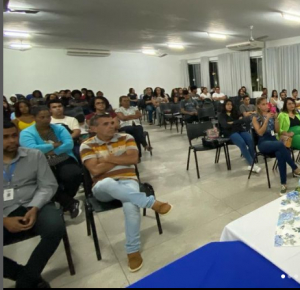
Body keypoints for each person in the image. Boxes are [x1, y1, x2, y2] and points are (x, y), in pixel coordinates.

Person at [80, 114, 173, 273]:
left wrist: (107, 158)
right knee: (108, 182)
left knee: (131, 205)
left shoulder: (126, 137)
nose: (111, 126)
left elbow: (134, 158)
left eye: (111, 122)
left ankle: (132, 250)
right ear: (93, 128)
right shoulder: (87, 145)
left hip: (128, 179)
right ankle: (150, 203)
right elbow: (94, 170)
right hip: (102, 187)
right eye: (105, 124)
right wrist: (120, 159)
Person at [3, 122, 64, 288]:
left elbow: (48, 185)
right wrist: (3, 220)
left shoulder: (34, 155)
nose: (11, 141)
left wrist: (35, 207)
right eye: (5, 137)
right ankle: (26, 276)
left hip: (35, 202)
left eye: (14, 135)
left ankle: (24, 282)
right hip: (4, 211)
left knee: (55, 227)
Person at [20, 106, 83, 219]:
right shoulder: (26, 133)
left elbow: (69, 144)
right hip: (41, 162)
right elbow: (31, 149)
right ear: (33, 118)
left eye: (48, 116)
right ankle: (70, 203)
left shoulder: (59, 128)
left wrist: (51, 152)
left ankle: (65, 202)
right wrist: (53, 145)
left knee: (74, 174)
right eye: (42, 117)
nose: (46, 119)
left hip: (63, 157)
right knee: (46, 183)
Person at [253, 98, 300, 195]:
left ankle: (283, 184)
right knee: (281, 145)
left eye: (266, 104)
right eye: (263, 104)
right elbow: (260, 132)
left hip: (274, 140)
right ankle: (295, 168)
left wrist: (276, 119)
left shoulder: (271, 115)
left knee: (280, 154)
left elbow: (276, 131)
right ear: (259, 106)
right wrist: (266, 119)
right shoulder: (256, 117)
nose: (266, 106)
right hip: (263, 142)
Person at [218, 100, 260, 173]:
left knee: (250, 140)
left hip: (240, 129)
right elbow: (225, 125)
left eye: (231, 104)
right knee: (242, 143)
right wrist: (237, 122)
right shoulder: (221, 115)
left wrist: (233, 122)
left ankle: (252, 162)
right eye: (227, 104)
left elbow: (244, 120)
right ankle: (252, 164)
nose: (229, 106)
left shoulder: (235, 112)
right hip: (230, 132)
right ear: (224, 105)